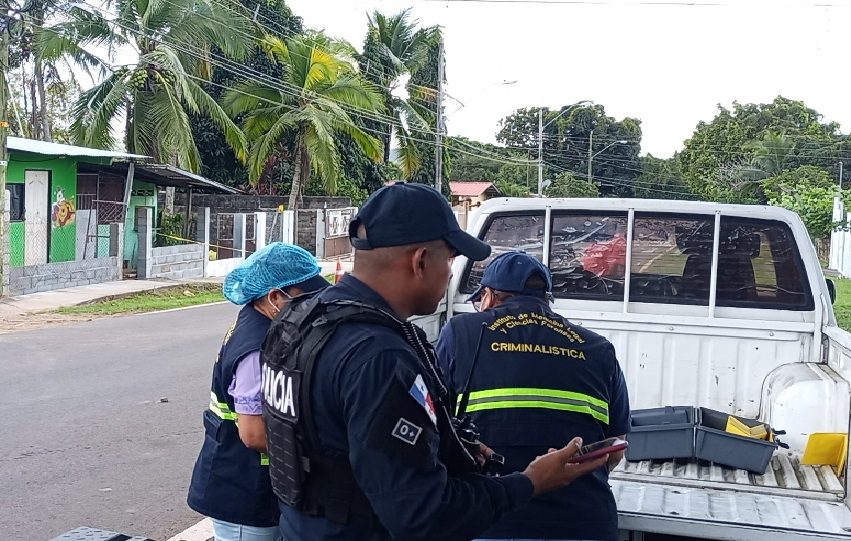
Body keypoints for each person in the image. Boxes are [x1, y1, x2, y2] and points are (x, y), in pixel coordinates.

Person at [260, 183, 608, 541]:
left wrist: (445, 441)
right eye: (451, 259)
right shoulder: (379, 357)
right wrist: (530, 482)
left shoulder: (301, 318)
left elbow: (329, 437)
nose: (451, 273)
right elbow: (425, 516)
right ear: (421, 261)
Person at [435, 251, 630, 541]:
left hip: (489, 523)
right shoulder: (598, 347)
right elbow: (615, 448)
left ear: (489, 296)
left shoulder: (461, 332)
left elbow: (433, 424)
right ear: (546, 299)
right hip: (584, 522)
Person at [187, 242, 331, 541]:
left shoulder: (266, 323)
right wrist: (321, 458)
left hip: (258, 485)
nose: (314, 305)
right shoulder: (256, 348)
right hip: (245, 492)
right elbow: (254, 434)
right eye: (306, 298)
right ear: (275, 298)